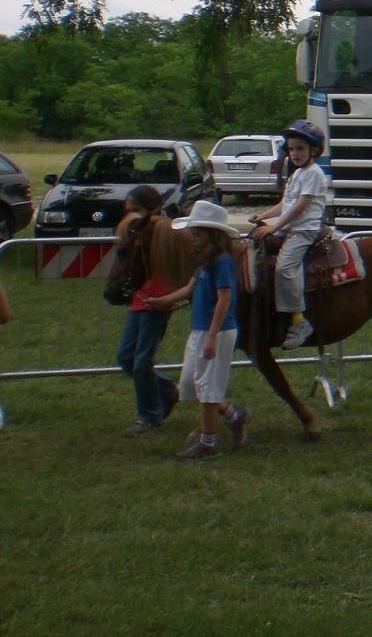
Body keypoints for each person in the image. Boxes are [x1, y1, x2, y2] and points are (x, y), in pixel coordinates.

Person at [148, 201, 249, 460]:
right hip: (201, 330)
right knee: (191, 383)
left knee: (207, 387)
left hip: (216, 331)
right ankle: (233, 415)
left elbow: (224, 300)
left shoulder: (223, 262)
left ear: (212, 235)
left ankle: (209, 442)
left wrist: (212, 337)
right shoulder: (203, 260)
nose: (192, 239)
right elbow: (190, 288)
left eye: (197, 234)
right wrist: (163, 300)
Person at [248, 119, 328, 350]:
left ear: (313, 150)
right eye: (291, 149)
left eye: (300, 149)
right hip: (291, 226)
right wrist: (263, 214)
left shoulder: (313, 174)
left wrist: (273, 228)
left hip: (304, 230)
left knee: (285, 267)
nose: (294, 153)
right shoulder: (296, 175)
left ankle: (299, 321)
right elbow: (285, 204)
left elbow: (300, 207)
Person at [115, 185, 181, 433]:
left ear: (153, 210)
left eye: (136, 211)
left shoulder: (165, 232)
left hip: (158, 301)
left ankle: (149, 415)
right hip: (138, 301)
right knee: (125, 357)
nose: (130, 216)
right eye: (128, 211)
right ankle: (168, 390)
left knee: (142, 361)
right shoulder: (135, 234)